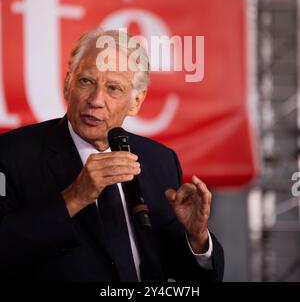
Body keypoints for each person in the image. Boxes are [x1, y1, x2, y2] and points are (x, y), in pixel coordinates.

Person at [0, 29, 224, 282]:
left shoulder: (159, 160)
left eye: (113, 88)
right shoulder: (11, 154)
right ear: (67, 84)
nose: (95, 100)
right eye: (86, 81)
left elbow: (188, 277)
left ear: (136, 102)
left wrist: (196, 238)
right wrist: (74, 197)